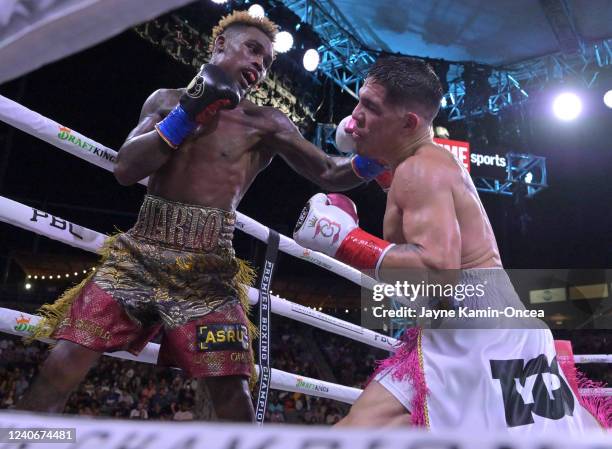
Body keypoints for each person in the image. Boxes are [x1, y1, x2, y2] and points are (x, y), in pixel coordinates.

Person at [19, 11, 371, 421]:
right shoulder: (166, 100)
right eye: (253, 50)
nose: (260, 65)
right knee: (61, 364)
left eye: (267, 62)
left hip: (207, 271)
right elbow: (126, 168)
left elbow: (329, 171)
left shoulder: (266, 123)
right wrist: (189, 113)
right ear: (220, 45)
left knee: (230, 392)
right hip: (138, 256)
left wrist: (379, 157)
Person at [294, 56, 606, 431]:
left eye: (371, 107)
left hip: (477, 339)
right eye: (360, 100)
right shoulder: (417, 163)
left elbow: (439, 273)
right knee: (361, 427)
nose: (355, 114)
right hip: (477, 328)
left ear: (408, 123)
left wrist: (344, 240)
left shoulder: (420, 170)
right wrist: (369, 156)